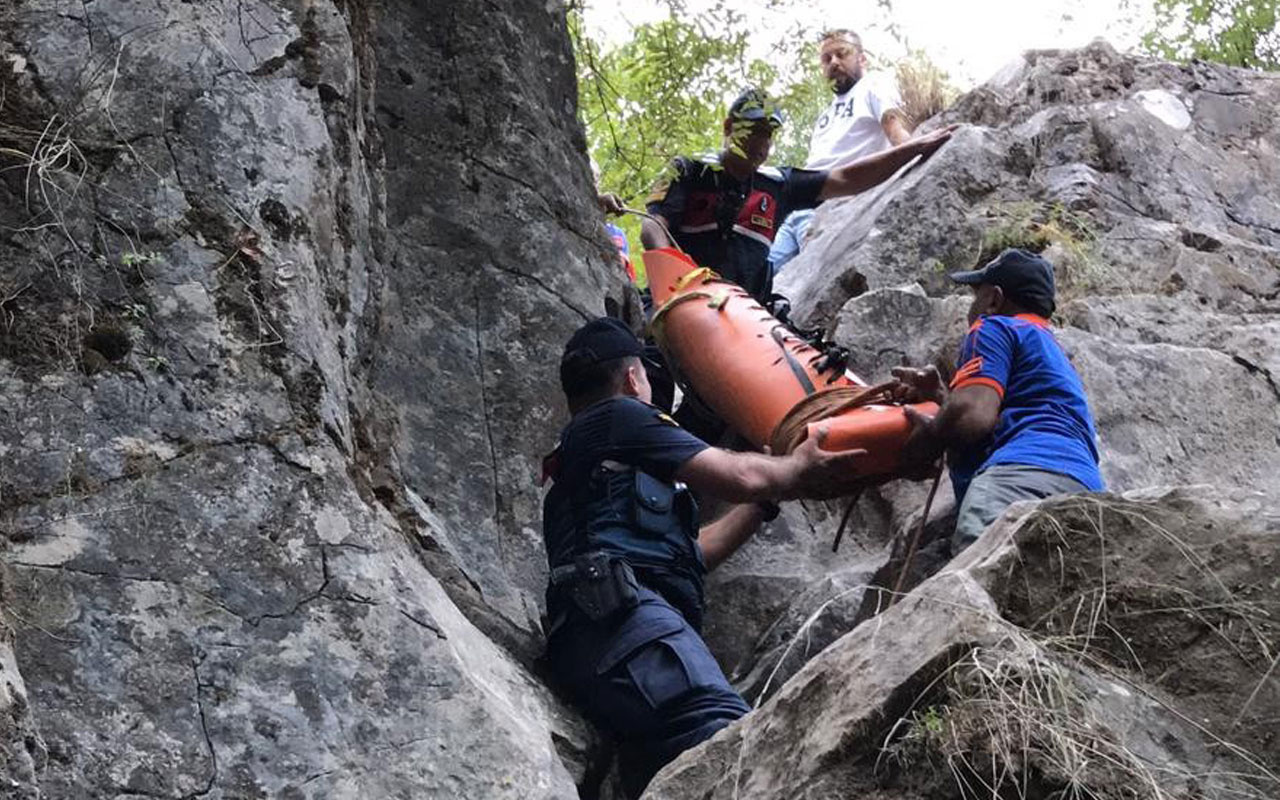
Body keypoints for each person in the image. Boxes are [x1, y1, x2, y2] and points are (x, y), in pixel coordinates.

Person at [541, 317, 869, 797]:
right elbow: (739, 475)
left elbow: (691, 555)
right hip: (623, 625)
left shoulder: (586, 464)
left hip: (604, 635)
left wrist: (760, 507)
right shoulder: (620, 415)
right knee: (729, 741)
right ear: (634, 378)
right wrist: (794, 468)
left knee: (665, 771)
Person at [641, 87, 953, 306]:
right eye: (754, 129)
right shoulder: (689, 169)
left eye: (768, 133)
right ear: (729, 127)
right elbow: (652, 227)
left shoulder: (778, 184)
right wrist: (678, 283)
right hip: (677, 297)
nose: (761, 142)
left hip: (739, 315)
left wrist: (912, 149)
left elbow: (846, 177)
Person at [890, 249, 1105, 554]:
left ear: (993, 299)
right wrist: (941, 398)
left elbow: (972, 417)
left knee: (982, 584)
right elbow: (1017, 415)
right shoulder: (1054, 352)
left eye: (974, 297)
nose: (972, 308)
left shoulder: (994, 326)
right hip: (1085, 488)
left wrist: (922, 443)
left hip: (1017, 480)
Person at [768, 29, 914, 272]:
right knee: (759, 278)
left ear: (861, 58)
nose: (834, 62)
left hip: (834, 205)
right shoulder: (826, 115)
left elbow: (894, 126)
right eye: (826, 59)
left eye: (841, 54)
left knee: (806, 281)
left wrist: (917, 155)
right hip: (797, 206)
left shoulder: (873, 85)